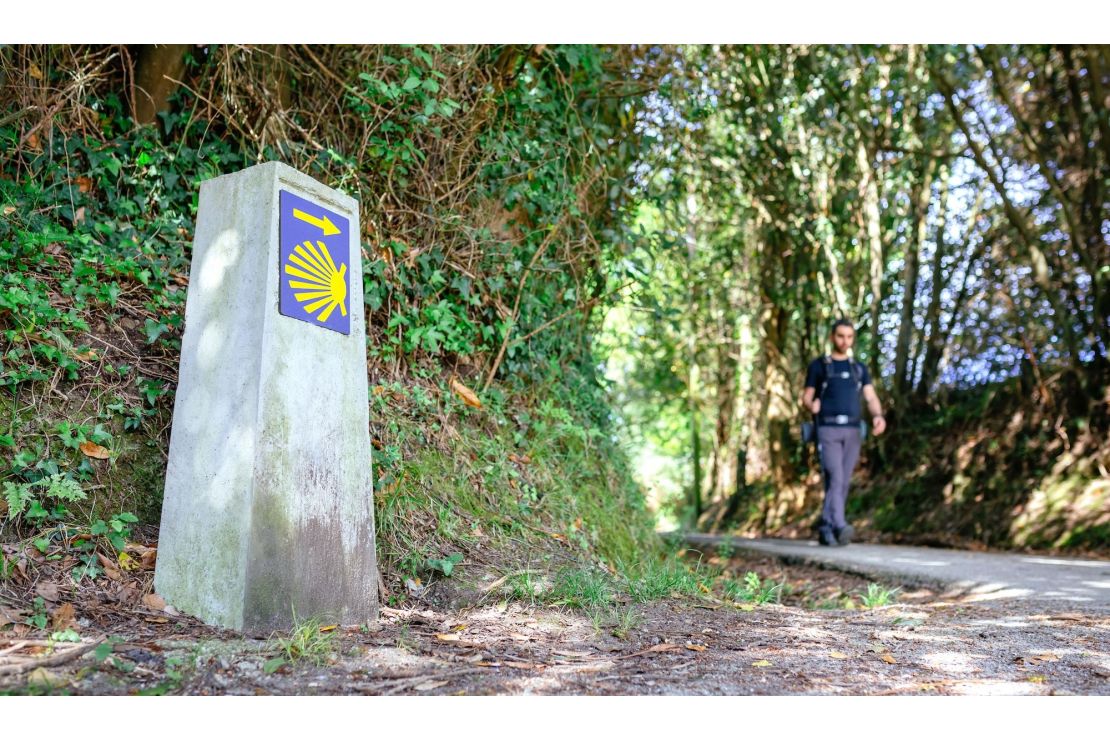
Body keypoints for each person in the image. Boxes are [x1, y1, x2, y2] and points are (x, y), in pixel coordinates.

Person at [800, 319, 886, 546]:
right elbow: (806, 396)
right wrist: (812, 405)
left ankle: (826, 528)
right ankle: (839, 524)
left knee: (842, 481)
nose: (844, 341)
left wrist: (877, 415)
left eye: (849, 336)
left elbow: (871, 397)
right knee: (835, 476)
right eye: (840, 336)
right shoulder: (819, 366)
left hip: (853, 430)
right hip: (827, 429)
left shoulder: (859, 369)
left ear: (853, 339)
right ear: (832, 337)